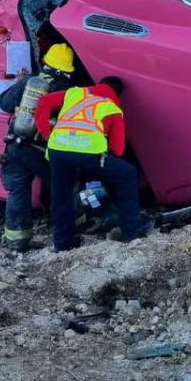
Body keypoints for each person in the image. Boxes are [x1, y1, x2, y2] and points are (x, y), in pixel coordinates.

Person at [36, 75, 152, 252]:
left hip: (57, 149)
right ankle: (132, 231)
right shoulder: (112, 108)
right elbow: (118, 149)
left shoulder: (75, 93)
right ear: (117, 94)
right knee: (127, 173)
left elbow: (44, 101)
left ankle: (62, 244)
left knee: (62, 196)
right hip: (88, 153)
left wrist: (46, 132)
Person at [0, 43, 75, 252]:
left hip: (14, 146)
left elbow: (3, 103)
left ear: (46, 63)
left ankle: (17, 240)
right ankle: (68, 232)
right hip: (40, 150)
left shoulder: (29, 82)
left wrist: (18, 85)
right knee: (64, 187)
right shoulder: (66, 92)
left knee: (17, 191)